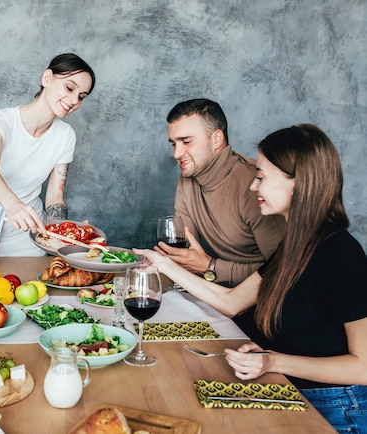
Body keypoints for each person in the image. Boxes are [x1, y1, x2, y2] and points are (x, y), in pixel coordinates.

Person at [135, 124, 367, 433]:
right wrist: (162, 264)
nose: (253, 187)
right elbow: (232, 302)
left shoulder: (341, 254)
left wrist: (273, 362)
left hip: (333, 408)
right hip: (287, 389)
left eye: (261, 177)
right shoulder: (298, 244)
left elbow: (363, 366)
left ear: (298, 184)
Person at [0, 53, 96, 269]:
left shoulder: (66, 135)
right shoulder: (2, 121)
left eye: (82, 96)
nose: (75, 100)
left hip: (30, 234)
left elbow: (55, 196)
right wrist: (12, 204)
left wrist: (64, 230)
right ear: (47, 78)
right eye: (69, 88)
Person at [161, 98, 285, 287]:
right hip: (219, 295)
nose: (176, 154)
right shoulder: (188, 177)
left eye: (186, 141)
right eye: (173, 144)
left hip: (265, 304)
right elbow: (184, 256)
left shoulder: (255, 185)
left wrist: (210, 267)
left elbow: (284, 270)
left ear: (216, 139)